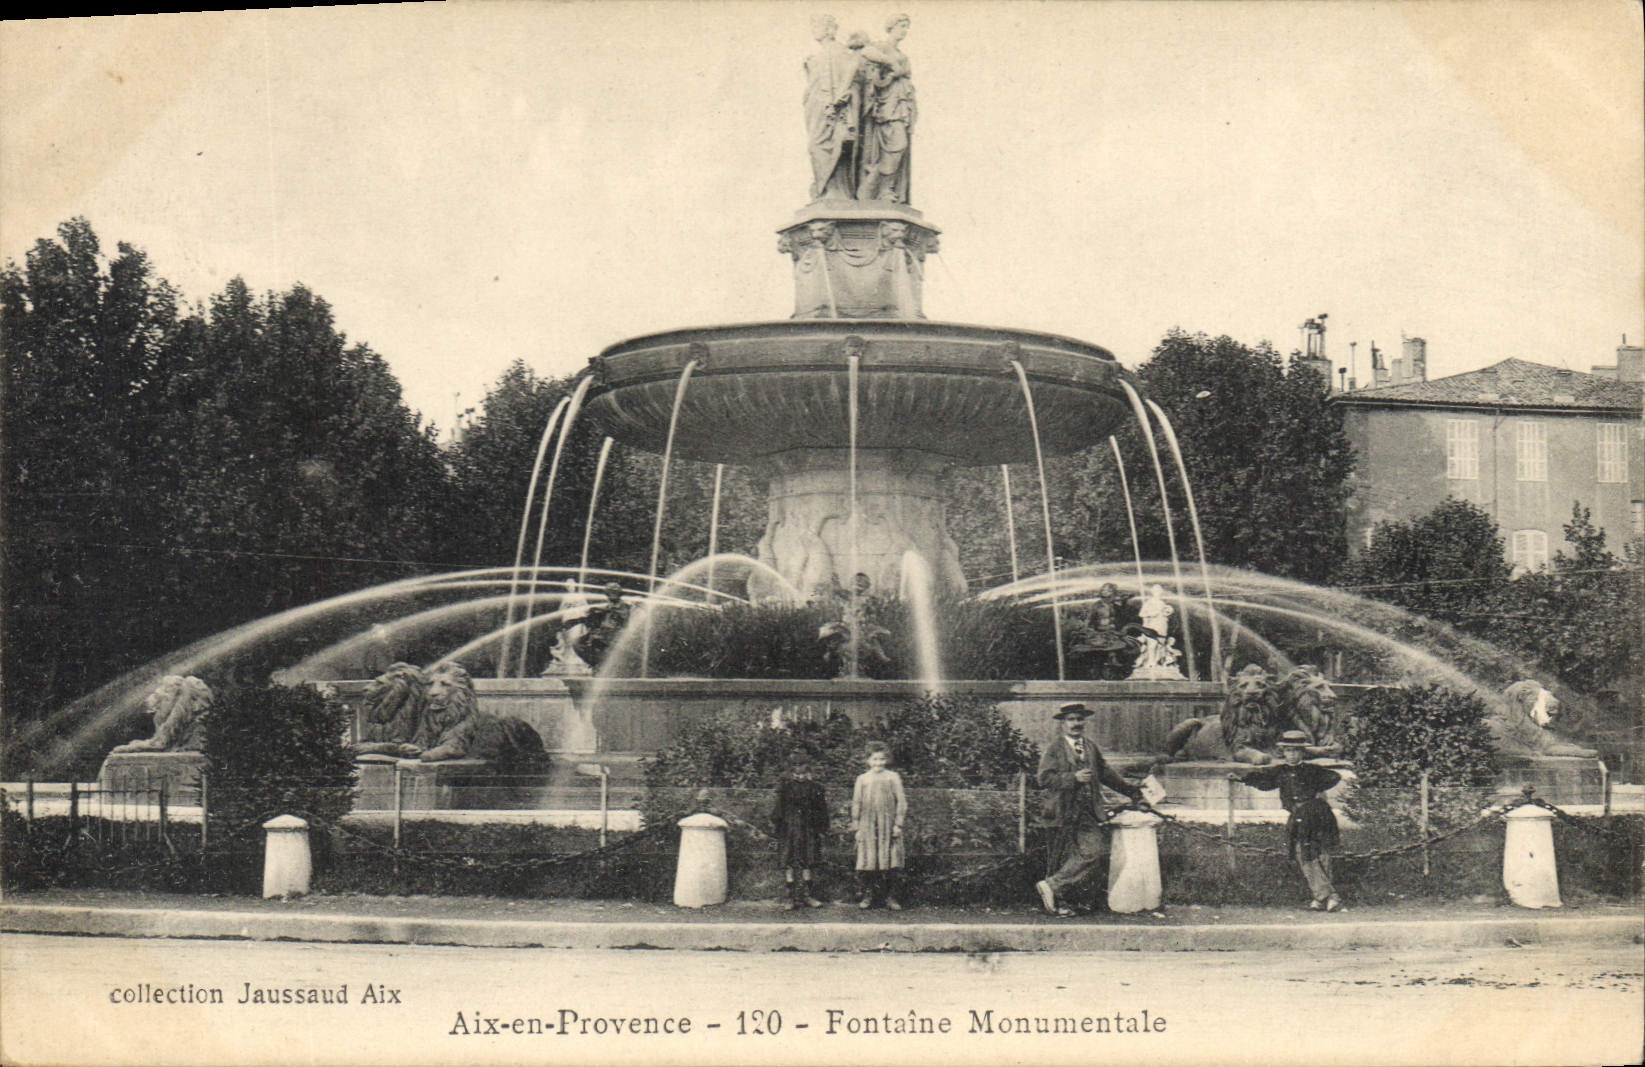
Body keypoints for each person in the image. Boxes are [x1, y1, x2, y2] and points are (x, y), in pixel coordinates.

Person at [1034, 702, 1143, 916]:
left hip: (1087, 811)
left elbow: (1106, 774)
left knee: (1094, 852)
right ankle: (1059, 904)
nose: (1076, 724)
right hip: (1062, 810)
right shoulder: (1055, 748)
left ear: (1084, 722)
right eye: (1071, 720)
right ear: (1062, 724)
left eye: (1079, 719)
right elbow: (1044, 779)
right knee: (1062, 856)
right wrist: (1072, 778)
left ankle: (1052, 886)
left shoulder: (1090, 747)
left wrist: (1132, 791)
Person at [1231, 730, 1342, 912]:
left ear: (1303, 753)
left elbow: (1334, 777)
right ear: (1283, 752)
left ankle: (1321, 897)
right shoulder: (1280, 772)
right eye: (1289, 751)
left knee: (1321, 854)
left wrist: (1316, 791)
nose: (1292, 755)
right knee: (1303, 853)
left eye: (1296, 751)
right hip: (1298, 816)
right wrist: (1242, 778)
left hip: (1317, 814)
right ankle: (1328, 895)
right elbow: (1263, 780)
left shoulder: (1312, 770)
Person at [803, 14, 865, 201]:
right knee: (816, 146)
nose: (815, 30)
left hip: (832, 110)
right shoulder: (820, 55)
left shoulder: (837, 50)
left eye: (818, 26)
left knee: (828, 145)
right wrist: (809, 67)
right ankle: (825, 189)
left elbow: (852, 69)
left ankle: (835, 190)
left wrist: (839, 98)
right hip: (817, 108)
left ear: (830, 29)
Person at [857, 14, 915, 203]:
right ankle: (882, 189)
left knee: (899, 147)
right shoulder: (882, 47)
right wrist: (890, 63)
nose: (905, 30)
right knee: (896, 145)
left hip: (900, 104)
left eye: (907, 27)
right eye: (902, 26)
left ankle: (886, 189)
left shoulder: (903, 55)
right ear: (891, 27)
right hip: (886, 107)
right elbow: (866, 52)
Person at [851, 741, 907, 909]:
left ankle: (891, 897)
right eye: (875, 759)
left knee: (890, 860)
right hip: (868, 825)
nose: (878, 763)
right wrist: (857, 826)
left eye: (882, 759)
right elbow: (856, 803)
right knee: (868, 860)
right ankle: (868, 896)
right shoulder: (862, 779)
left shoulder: (892, 777)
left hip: (887, 825)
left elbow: (902, 801)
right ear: (868, 760)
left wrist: (898, 824)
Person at [772, 759, 830, 910]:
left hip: (809, 830)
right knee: (789, 861)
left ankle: (807, 895)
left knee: (808, 861)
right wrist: (778, 828)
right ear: (792, 774)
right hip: (789, 829)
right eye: (797, 773)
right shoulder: (785, 789)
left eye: (804, 773)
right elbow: (778, 809)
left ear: (809, 773)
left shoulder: (816, 789)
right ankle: (789, 897)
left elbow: (822, 810)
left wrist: (822, 828)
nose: (800, 776)